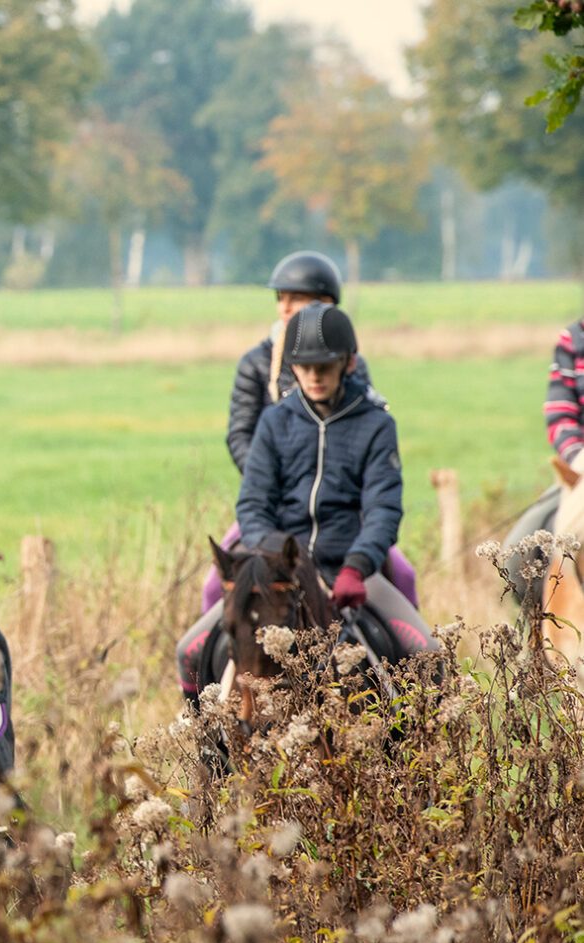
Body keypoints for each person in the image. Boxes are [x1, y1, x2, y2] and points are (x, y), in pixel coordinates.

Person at [177, 302, 436, 698]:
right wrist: (275, 560)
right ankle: (208, 754)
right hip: (275, 573)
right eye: (305, 367)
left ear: (348, 363)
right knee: (190, 652)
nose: (314, 376)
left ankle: (425, 751)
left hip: (347, 570)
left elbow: (383, 509)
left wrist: (357, 565)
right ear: (292, 368)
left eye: (325, 366)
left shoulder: (376, 425)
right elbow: (253, 505)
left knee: (427, 654)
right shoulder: (274, 423)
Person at [202, 250, 416, 612]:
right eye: (281, 298)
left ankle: (427, 671)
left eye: (297, 299)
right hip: (275, 525)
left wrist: (358, 562)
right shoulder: (258, 370)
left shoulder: (370, 412)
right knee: (208, 603)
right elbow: (241, 437)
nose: (286, 308)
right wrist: (268, 476)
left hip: (345, 537)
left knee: (414, 617)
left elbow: (377, 488)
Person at [498, 316, 584, 602]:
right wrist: (578, 459)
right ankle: (543, 638)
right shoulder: (574, 339)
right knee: (517, 559)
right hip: (581, 474)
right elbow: (561, 417)